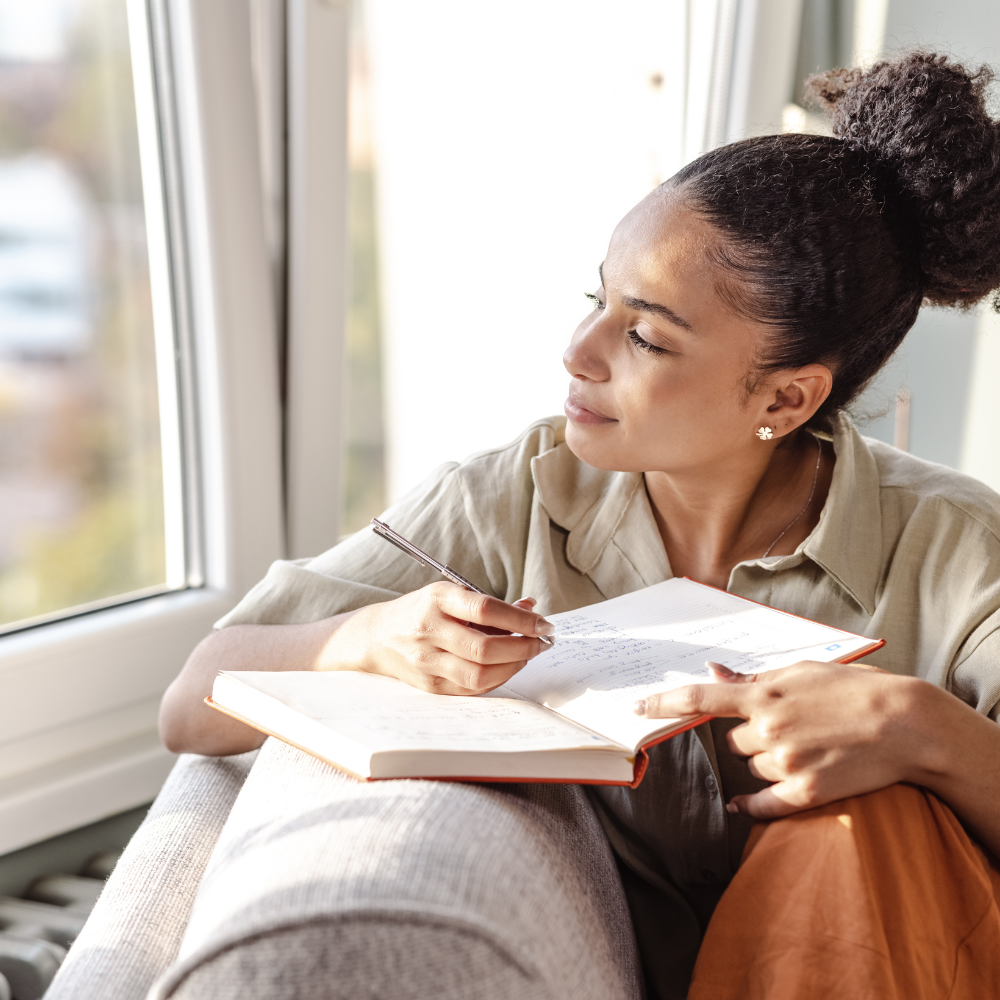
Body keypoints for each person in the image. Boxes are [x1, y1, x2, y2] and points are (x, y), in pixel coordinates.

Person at [160, 51, 1000, 999]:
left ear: (786, 395)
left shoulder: (956, 547)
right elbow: (191, 702)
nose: (579, 352)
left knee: (870, 814)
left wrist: (919, 727)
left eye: (645, 335)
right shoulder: (509, 498)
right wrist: (366, 638)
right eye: (597, 298)